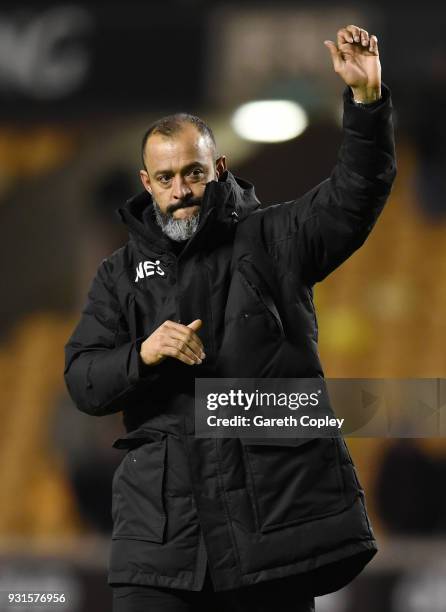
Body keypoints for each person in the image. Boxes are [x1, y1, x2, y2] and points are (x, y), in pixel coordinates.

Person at [64, 24, 396, 612]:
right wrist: (142, 354)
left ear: (217, 168)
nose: (181, 190)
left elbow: (354, 194)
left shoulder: (274, 237)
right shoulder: (118, 275)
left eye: (192, 173)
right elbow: (83, 378)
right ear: (147, 184)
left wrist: (366, 103)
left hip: (269, 536)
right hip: (162, 545)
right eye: (165, 179)